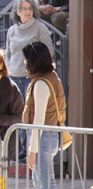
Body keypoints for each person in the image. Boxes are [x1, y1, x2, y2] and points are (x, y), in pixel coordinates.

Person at [21, 41, 64, 189]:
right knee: (43, 181)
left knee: (45, 183)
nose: (24, 62)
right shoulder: (52, 77)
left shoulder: (40, 84)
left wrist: (32, 150)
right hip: (49, 136)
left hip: (43, 137)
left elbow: (38, 121)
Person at [6, 1, 52, 161]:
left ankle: (29, 150)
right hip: (14, 77)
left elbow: (48, 51)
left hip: (31, 77)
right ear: (17, 12)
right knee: (16, 115)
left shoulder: (40, 28)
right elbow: (8, 54)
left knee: (29, 114)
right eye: (23, 9)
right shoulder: (11, 31)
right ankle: (19, 150)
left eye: (29, 8)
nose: (26, 11)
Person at [0, 51, 25, 166]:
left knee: (2, 181)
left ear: (1, 64)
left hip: (5, 142)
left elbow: (19, 118)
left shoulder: (11, 87)